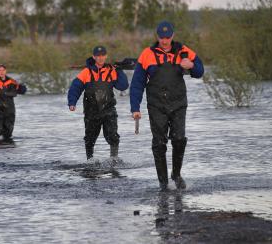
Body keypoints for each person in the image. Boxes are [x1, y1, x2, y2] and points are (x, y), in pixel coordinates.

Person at [130, 21, 204, 190]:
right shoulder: (147, 54)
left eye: (167, 37)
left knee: (179, 140)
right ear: (157, 36)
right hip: (156, 104)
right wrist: (135, 107)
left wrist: (191, 65)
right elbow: (137, 84)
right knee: (159, 143)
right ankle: (163, 183)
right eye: (162, 37)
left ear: (172, 35)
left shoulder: (183, 51)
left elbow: (200, 71)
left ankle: (176, 175)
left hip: (178, 103)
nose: (165, 41)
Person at [68, 46, 129, 161]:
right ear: (94, 57)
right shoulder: (86, 72)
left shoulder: (112, 71)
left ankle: (114, 159)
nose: (100, 58)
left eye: (102, 56)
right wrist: (72, 102)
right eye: (98, 56)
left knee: (112, 135)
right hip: (91, 111)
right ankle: (90, 161)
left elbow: (123, 86)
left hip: (109, 110)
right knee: (90, 139)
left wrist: (119, 70)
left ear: (106, 56)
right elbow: (75, 88)